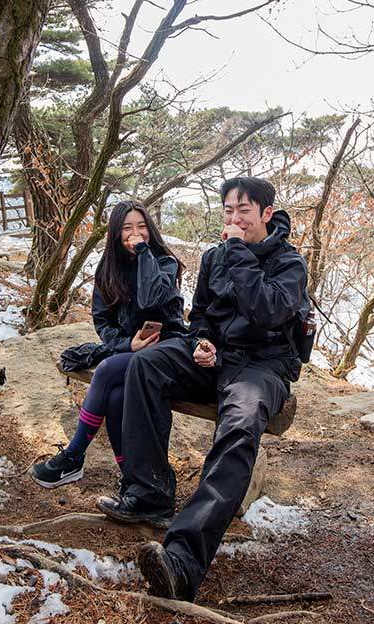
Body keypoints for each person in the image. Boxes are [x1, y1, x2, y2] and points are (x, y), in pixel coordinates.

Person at [97, 176, 309, 601]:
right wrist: (202, 342)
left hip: (263, 367)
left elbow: (267, 311)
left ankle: (182, 561)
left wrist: (237, 251)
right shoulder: (214, 257)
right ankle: (149, 493)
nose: (234, 219)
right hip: (217, 359)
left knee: (239, 426)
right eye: (228, 211)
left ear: (267, 213)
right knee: (146, 365)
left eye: (244, 211)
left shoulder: (290, 264)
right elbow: (201, 318)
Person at [31, 200, 186, 489]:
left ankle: (74, 456)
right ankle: (129, 476)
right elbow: (103, 322)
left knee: (105, 371)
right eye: (127, 228)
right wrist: (129, 344)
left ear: (151, 230)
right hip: (131, 352)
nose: (135, 233)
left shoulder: (165, 263)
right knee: (115, 398)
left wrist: (144, 253)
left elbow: (151, 298)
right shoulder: (108, 271)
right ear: (116, 233)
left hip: (168, 351)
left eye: (141, 227)